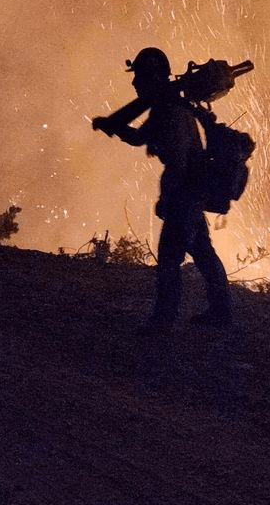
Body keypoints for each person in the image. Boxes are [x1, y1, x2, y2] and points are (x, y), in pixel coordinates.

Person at [92, 47, 232, 333]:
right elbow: (139, 138)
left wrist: (167, 197)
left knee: (169, 257)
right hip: (192, 192)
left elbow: (178, 161)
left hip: (185, 194)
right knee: (203, 252)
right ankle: (220, 314)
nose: (135, 83)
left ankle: (163, 321)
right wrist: (112, 126)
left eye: (139, 77)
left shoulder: (170, 110)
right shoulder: (166, 108)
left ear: (153, 77)